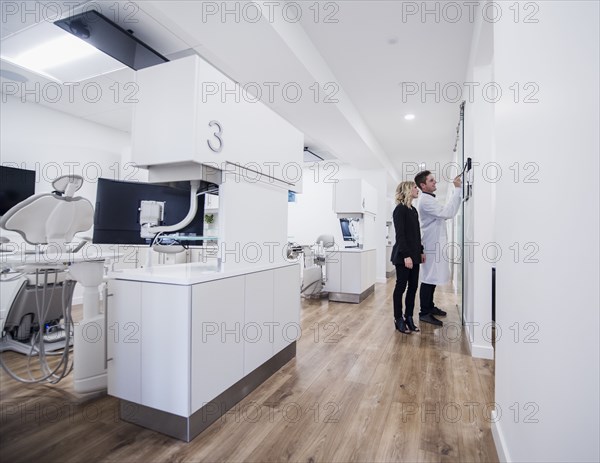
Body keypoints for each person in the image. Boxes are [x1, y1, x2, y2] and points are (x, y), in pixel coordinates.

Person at [414, 170, 462, 326]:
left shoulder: (429, 199)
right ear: (423, 185)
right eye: (431, 180)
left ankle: (430, 306)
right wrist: (458, 190)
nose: (435, 182)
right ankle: (424, 312)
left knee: (432, 277)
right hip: (430, 245)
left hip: (434, 244)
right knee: (428, 278)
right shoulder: (425, 201)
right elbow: (447, 213)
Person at [390, 181, 424, 334]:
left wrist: (421, 251)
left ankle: (409, 317)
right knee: (401, 287)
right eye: (415, 187)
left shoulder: (413, 210)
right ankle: (398, 319)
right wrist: (407, 256)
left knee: (413, 287)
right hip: (403, 256)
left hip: (415, 255)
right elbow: (400, 235)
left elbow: (416, 235)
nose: (417, 189)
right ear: (407, 190)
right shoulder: (400, 210)